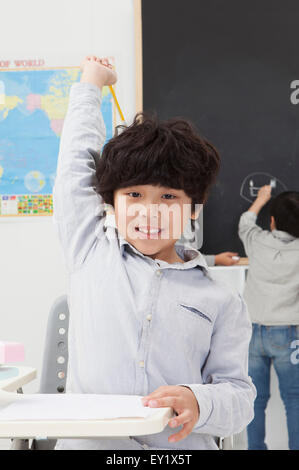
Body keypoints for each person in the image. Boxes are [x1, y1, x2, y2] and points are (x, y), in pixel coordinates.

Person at [52, 55, 256, 450]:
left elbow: (239, 395)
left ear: (193, 206)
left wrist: (200, 400)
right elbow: (74, 171)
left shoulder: (221, 300)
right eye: (133, 194)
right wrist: (90, 85)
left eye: (168, 196)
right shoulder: (90, 250)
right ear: (110, 199)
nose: (150, 210)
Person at [238, 185, 299, 450]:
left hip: (253, 332)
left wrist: (260, 200)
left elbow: (245, 222)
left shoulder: (257, 241)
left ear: (272, 222)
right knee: (294, 400)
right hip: (288, 334)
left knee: (255, 399)